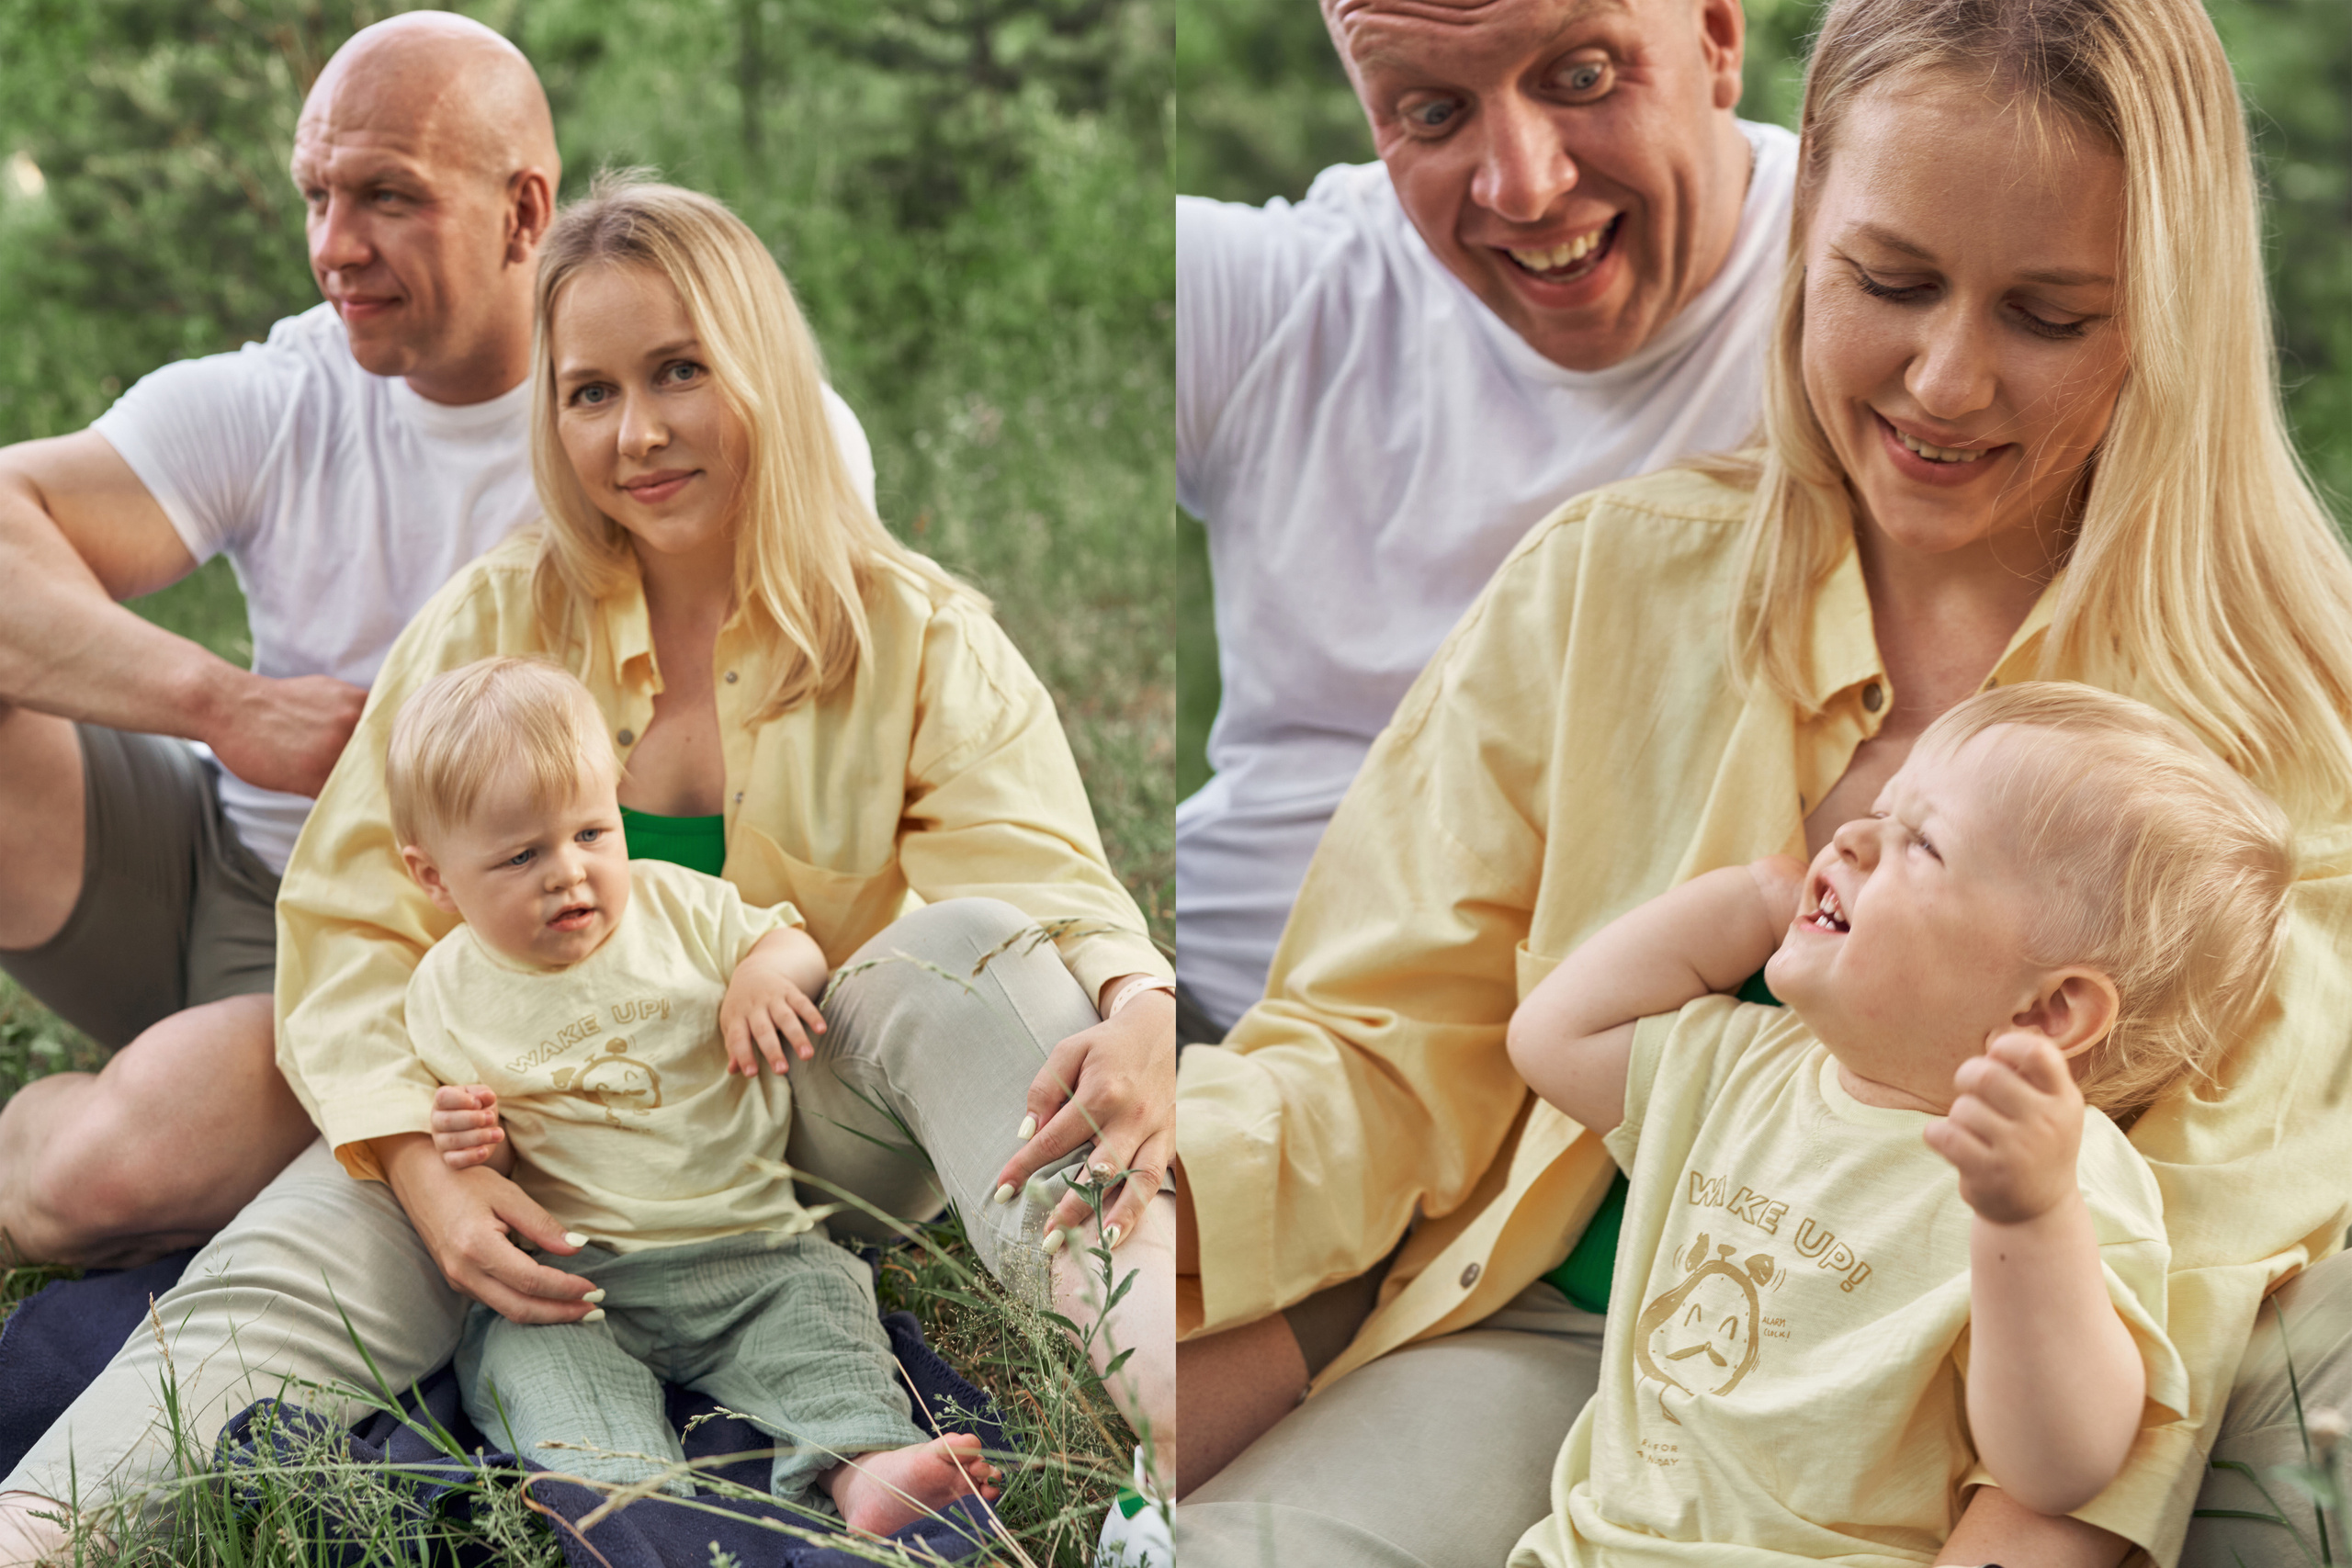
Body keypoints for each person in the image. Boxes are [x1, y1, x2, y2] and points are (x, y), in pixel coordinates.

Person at [1174, 0, 2352, 1564]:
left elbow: (2190, 1296)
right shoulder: (1613, 581)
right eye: (1891, 280)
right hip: (1528, 1329)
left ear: (2174, 312)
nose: (1943, 381)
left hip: (1902, 1457)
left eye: (2049, 316)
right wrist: (1158, 1191)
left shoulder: (2279, 735)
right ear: (1805, 239)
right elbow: (1388, 1042)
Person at [0, 171, 1173, 1568]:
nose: (640, 432)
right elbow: (350, 926)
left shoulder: (915, 630)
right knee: (289, 1253)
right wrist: (432, 1183)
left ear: (766, 372)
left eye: (680, 371)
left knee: (964, 944)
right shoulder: (497, 615)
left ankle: (1172, 1439)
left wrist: (1142, 1001)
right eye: (591, 391)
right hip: (518, 1130)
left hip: (793, 1134)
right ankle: (32, 1529)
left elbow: (1041, 881)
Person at [1507, 682, 2292, 1562]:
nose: (1850, 838)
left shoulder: (2057, 1179)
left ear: (2048, 1010)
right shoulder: (1748, 1067)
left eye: (1920, 843)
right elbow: (1551, 1035)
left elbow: (2061, 1467)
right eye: (1879, 812)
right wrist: (1748, 903)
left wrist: (2029, 1224)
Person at [1174, 0, 1795, 1041]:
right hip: (1225, 1016)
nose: (1522, 184)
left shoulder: (1877, 291)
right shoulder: (1283, 293)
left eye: (1584, 76)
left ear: (1718, 37)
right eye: (1429, 110)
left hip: (1619, 1087)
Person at [389, 656, 1001, 1532]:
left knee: (823, 1321)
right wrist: (480, 1147)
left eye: (593, 833)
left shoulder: (679, 908)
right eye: (522, 855)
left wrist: (760, 975)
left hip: (748, 1245)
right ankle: (630, 1505)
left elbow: (792, 947)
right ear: (436, 877)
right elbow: (506, 1172)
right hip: (580, 1278)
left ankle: (864, 1463)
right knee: (533, 1365)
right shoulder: (445, 993)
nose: (568, 872)